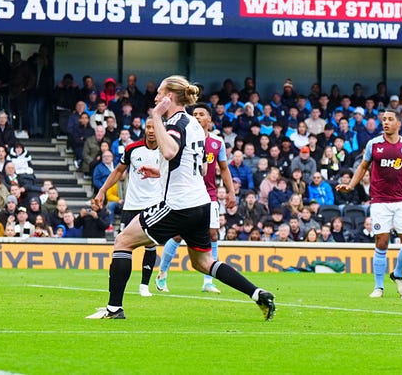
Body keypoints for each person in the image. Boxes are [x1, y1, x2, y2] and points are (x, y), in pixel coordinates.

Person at [88, 76, 274, 320]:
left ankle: (114, 309)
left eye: (159, 94)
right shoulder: (195, 125)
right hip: (200, 204)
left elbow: (169, 150)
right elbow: (192, 165)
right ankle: (258, 294)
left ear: (169, 97)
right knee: (203, 262)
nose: (155, 98)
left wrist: (156, 116)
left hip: (179, 204)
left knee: (123, 241)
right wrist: (160, 171)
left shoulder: (175, 123)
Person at [337, 108, 402, 298]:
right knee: (382, 242)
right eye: (384, 119)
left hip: (401, 201)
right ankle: (378, 287)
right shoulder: (374, 144)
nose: (386, 122)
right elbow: (363, 167)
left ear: (399, 124)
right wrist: (350, 186)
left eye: (390, 119)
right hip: (380, 201)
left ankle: (397, 274)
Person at [155, 105, 238, 294]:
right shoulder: (186, 136)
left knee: (213, 234)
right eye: (195, 114)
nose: (198, 117)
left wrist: (231, 192)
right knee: (178, 234)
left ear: (209, 119)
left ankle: (208, 281)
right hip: (186, 194)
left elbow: (224, 168)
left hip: (209, 195)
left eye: (201, 114)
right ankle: (162, 273)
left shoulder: (217, 142)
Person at [90, 121, 167, 297]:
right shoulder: (132, 148)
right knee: (122, 244)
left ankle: (144, 286)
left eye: (154, 127)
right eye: (148, 127)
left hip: (154, 204)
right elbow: (118, 171)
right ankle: (118, 282)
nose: (150, 131)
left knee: (150, 244)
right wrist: (102, 190)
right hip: (132, 205)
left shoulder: (166, 150)